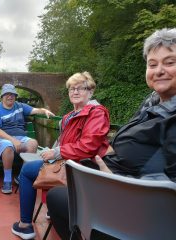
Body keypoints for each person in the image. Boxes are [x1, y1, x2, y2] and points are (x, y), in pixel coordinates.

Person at [47, 28, 176, 240]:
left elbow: (164, 191)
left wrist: (113, 183)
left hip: (135, 207)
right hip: (105, 178)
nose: (159, 70)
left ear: (90, 92)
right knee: (52, 186)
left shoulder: (97, 112)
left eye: (169, 62)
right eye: (152, 64)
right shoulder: (150, 103)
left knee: (56, 195)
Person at [12, 72, 110, 239]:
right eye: (71, 88)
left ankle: (25, 225)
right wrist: (52, 151)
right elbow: (64, 140)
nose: (75, 92)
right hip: (67, 162)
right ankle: (53, 208)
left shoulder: (97, 112)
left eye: (80, 88)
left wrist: (56, 152)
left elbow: (88, 146)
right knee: (36, 165)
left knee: (28, 171)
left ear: (90, 91)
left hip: (82, 167)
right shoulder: (67, 117)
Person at [0, 83, 55, 194]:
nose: (10, 97)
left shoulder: (20, 106)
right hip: (1, 137)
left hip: (20, 137)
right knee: (7, 146)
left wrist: (44, 110)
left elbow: (34, 110)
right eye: (7, 94)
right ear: (2, 96)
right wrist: (13, 140)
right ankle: (7, 180)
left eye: (12, 94)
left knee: (33, 143)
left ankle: (21, 176)